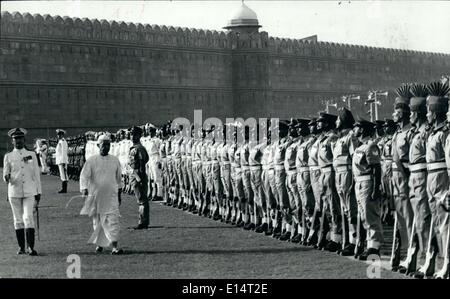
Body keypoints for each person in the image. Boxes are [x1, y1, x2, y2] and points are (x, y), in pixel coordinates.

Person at [79, 134, 124, 254]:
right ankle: (100, 244)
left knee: (113, 221)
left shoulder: (115, 160)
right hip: (96, 196)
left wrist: (119, 193)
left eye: (108, 144)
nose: (106, 147)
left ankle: (114, 247)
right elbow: (84, 176)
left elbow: (119, 179)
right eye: (103, 145)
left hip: (111, 197)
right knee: (98, 221)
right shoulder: (91, 160)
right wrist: (83, 188)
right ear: (98, 145)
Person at [3, 128, 42, 256]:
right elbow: (5, 174)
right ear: (12, 141)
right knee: (18, 220)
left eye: (20, 138)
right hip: (14, 191)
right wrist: (6, 177)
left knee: (28, 217)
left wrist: (38, 192)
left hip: (30, 191)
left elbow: (36, 174)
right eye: (15, 139)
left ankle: (31, 247)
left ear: (24, 139)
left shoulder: (31, 154)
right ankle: (21, 247)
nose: (18, 141)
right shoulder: (8, 156)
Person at [352, 117, 384, 260]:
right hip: (359, 184)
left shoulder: (371, 146)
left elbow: (376, 169)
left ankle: (374, 248)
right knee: (364, 216)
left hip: (367, 184)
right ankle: (369, 245)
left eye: (356, 127)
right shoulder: (359, 147)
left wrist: (376, 189)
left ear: (362, 129)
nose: (354, 129)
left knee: (371, 216)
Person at [391, 84, 415, 271]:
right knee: (399, 220)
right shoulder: (397, 133)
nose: (394, 114)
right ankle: (401, 255)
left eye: (397, 111)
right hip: (396, 182)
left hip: (406, 180)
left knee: (409, 218)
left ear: (405, 113)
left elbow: (409, 160)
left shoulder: (410, 133)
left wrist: (407, 180)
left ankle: (410, 255)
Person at [334, 108, 359, 256]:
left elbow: (355, 158)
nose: (336, 122)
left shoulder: (351, 137)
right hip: (339, 175)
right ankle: (346, 240)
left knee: (351, 211)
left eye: (338, 119)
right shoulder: (340, 139)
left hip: (348, 175)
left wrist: (353, 180)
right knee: (344, 210)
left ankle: (354, 242)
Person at [128, 126, 150, 230]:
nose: (132, 136)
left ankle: (143, 222)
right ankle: (142, 220)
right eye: (131, 134)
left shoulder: (139, 148)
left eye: (135, 134)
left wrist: (140, 179)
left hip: (138, 175)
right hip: (134, 174)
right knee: (140, 198)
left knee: (142, 199)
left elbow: (142, 165)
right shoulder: (134, 147)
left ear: (139, 136)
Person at [56, 129, 69, 193]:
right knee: (62, 174)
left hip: (62, 160)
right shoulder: (60, 141)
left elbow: (64, 152)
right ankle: (63, 188)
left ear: (62, 135)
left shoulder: (63, 141)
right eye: (58, 135)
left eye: (59, 134)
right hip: (60, 160)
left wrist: (63, 161)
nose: (58, 136)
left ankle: (64, 189)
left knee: (64, 175)